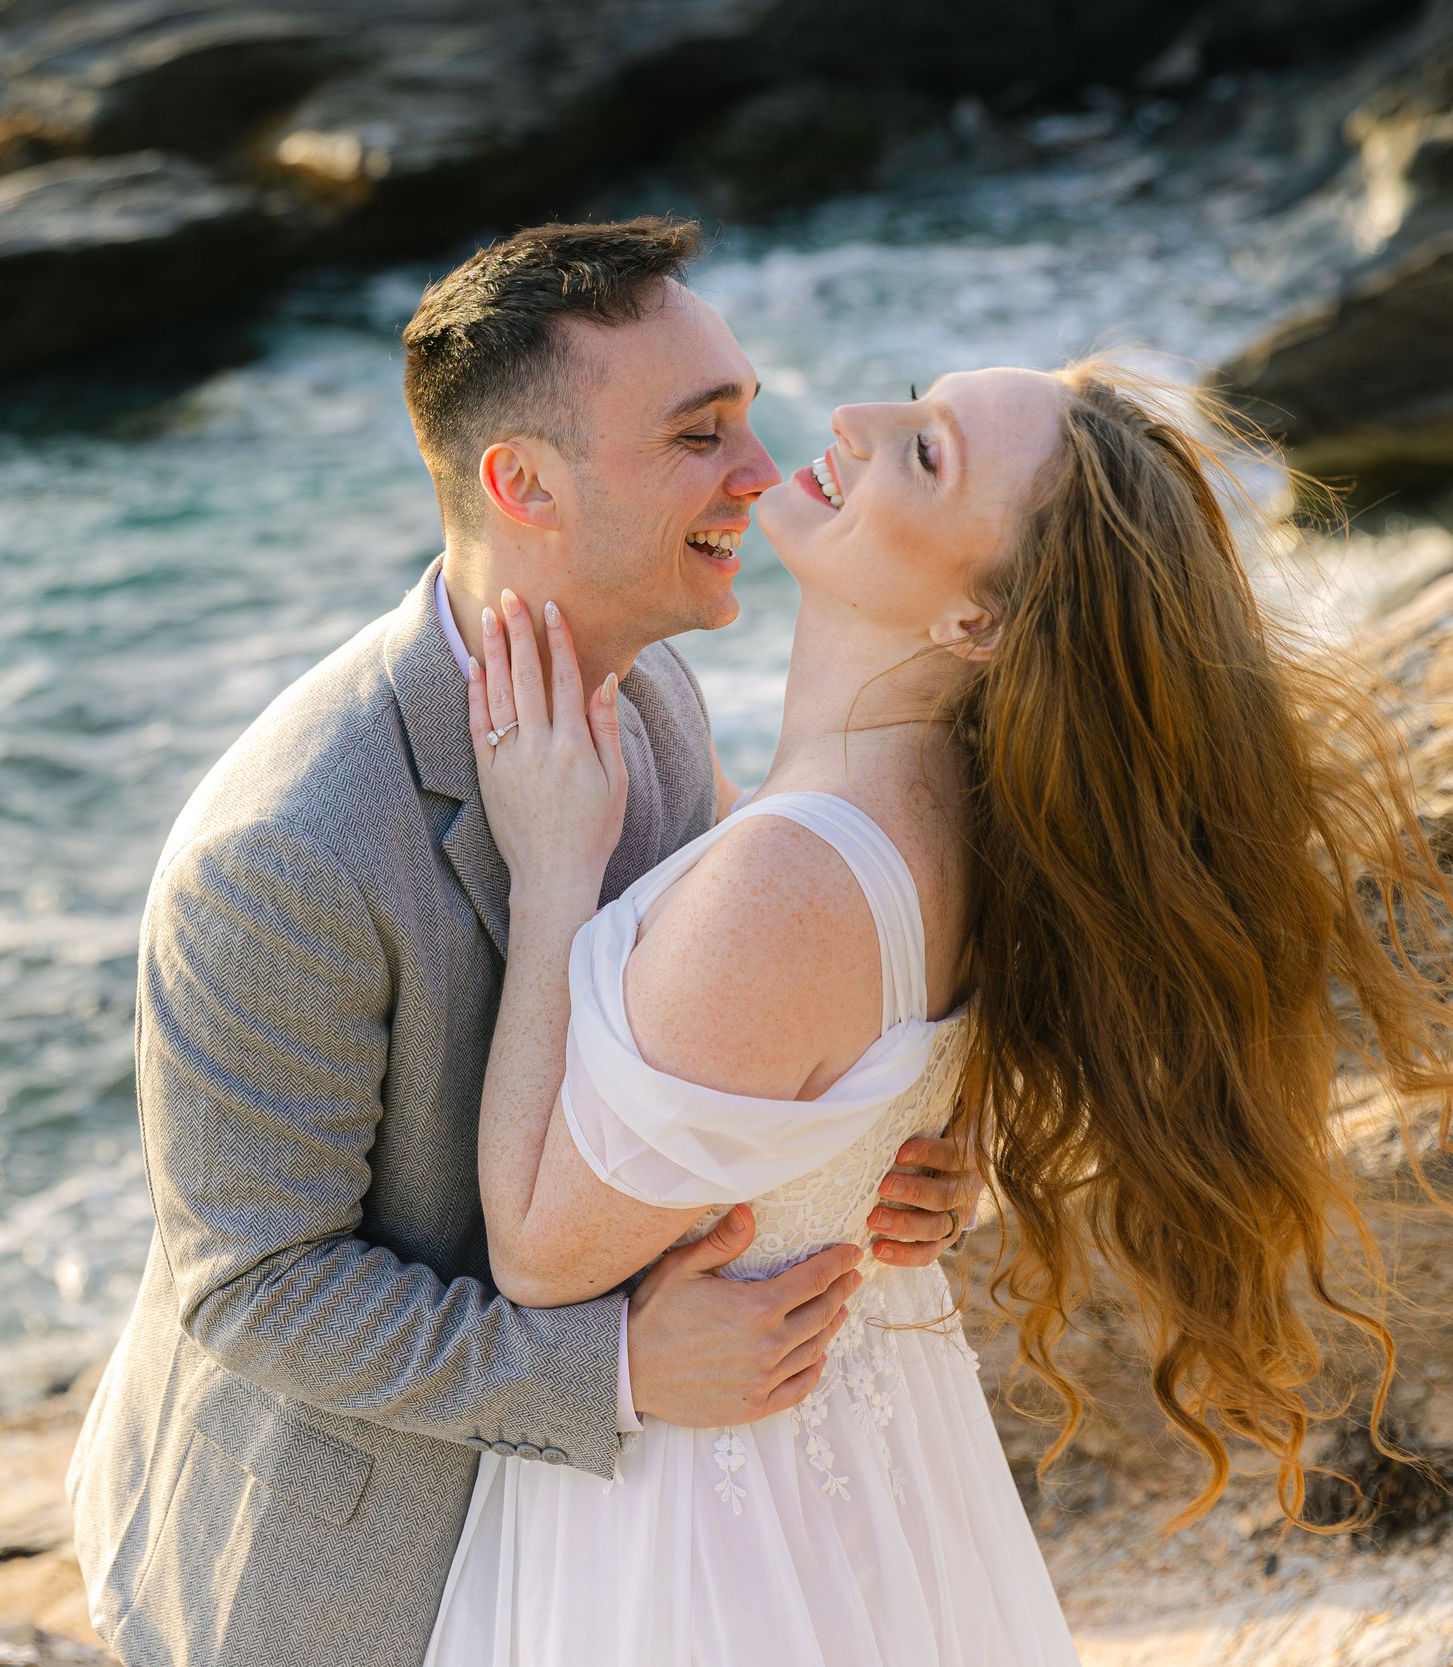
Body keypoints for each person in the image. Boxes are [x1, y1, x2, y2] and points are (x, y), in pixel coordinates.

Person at [423, 353, 1453, 1664]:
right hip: (844, 1481)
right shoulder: (965, 828)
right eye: (912, 403)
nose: (855, 424)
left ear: (980, 621)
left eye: (924, 452)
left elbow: (534, 1248)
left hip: (695, 1532)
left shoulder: (795, 876)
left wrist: (552, 876)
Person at [64, 219, 985, 1667]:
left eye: (744, 416)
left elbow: (701, 1036)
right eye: (700, 436)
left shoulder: (657, 688)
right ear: (524, 486)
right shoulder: (284, 855)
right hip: (352, 1570)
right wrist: (612, 1366)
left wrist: (871, 1166)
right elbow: (254, 1284)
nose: (760, 471)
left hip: (598, 1551)